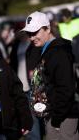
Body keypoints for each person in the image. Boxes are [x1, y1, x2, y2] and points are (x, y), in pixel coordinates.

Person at [21, 11, 79, 140]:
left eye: (35, 32)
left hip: (64, 117)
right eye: (29, 34)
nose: (31, 38)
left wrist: (56, 120)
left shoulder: (58, 52)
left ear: (47, 29)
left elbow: (66, 88)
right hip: (57, 115)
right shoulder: (47, 50)